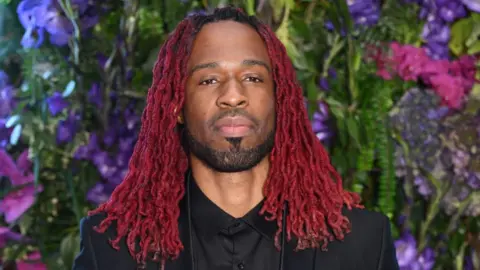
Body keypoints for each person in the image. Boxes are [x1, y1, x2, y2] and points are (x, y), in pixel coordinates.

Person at [72, 6, 399, 270]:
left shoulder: (363, 244)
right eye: (209, 79)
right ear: (177, 106)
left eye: (253, 77)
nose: (232, 96)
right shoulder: (113, 250)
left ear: (279, 99)